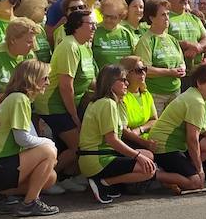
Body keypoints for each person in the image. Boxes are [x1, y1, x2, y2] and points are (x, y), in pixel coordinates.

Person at [76, 63, 180, 202]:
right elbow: (111, 140)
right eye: (123, 80)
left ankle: (107, 183)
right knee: (148, 170)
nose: (127, 83)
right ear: (110, 82)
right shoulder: (108, 104)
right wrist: (137, 156)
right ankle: (104, 182)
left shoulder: (106, 102)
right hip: (97, 159)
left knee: (148, 155)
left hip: (101, 155)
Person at [0, 59, 60, 216]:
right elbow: (23, 139)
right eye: (45, 77)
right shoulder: (19, 99)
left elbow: (28, 138)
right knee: (48, 151)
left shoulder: (17, 98)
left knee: (50, 177)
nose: (48, 82)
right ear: (32, 78)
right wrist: (49, 143)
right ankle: (29, 203)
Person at [147, 61, 206, 191]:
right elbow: (192, 139)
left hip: (176, 146)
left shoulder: (199, 97)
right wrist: (200, 169)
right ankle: (152, 174)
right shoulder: (196, 101)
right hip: (164, 148)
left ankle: (179, 175)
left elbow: (203, 128)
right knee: (195, 183)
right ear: (199, 83)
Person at [37, 9, 98, 177]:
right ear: (77, 26)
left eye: (95, 24)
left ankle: (65, 177)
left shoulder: (85, 46)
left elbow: (89, 79)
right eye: (91, 24)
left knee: (76, 145)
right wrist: (74, 115)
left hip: (71, 103)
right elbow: (65, 85)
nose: (94, 28)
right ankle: (45, 179)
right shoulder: (69, 46)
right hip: (54, 104)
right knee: (78, 145)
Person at [136, 0, 186, 115]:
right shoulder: (146, 41)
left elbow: (181, 61)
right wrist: (170, 72)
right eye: (163, 14)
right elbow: (145, 70)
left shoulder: (172, 39)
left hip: (175, 92)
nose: (167, 18)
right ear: (152, 18)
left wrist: (182, 69)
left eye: (168, 14)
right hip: (156, 94)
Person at [0, 18, 41, 88]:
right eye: (29, 42)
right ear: (13, 40)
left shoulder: (30, 56)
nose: (33, 46)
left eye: (34, 42)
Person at [92, 0, 138, 68]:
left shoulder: (126, 33)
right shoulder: (94, 31)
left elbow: (134, 56)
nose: (108, 20)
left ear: (121, 17)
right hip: (102, 78)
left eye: (113, 17)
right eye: (106, 16)